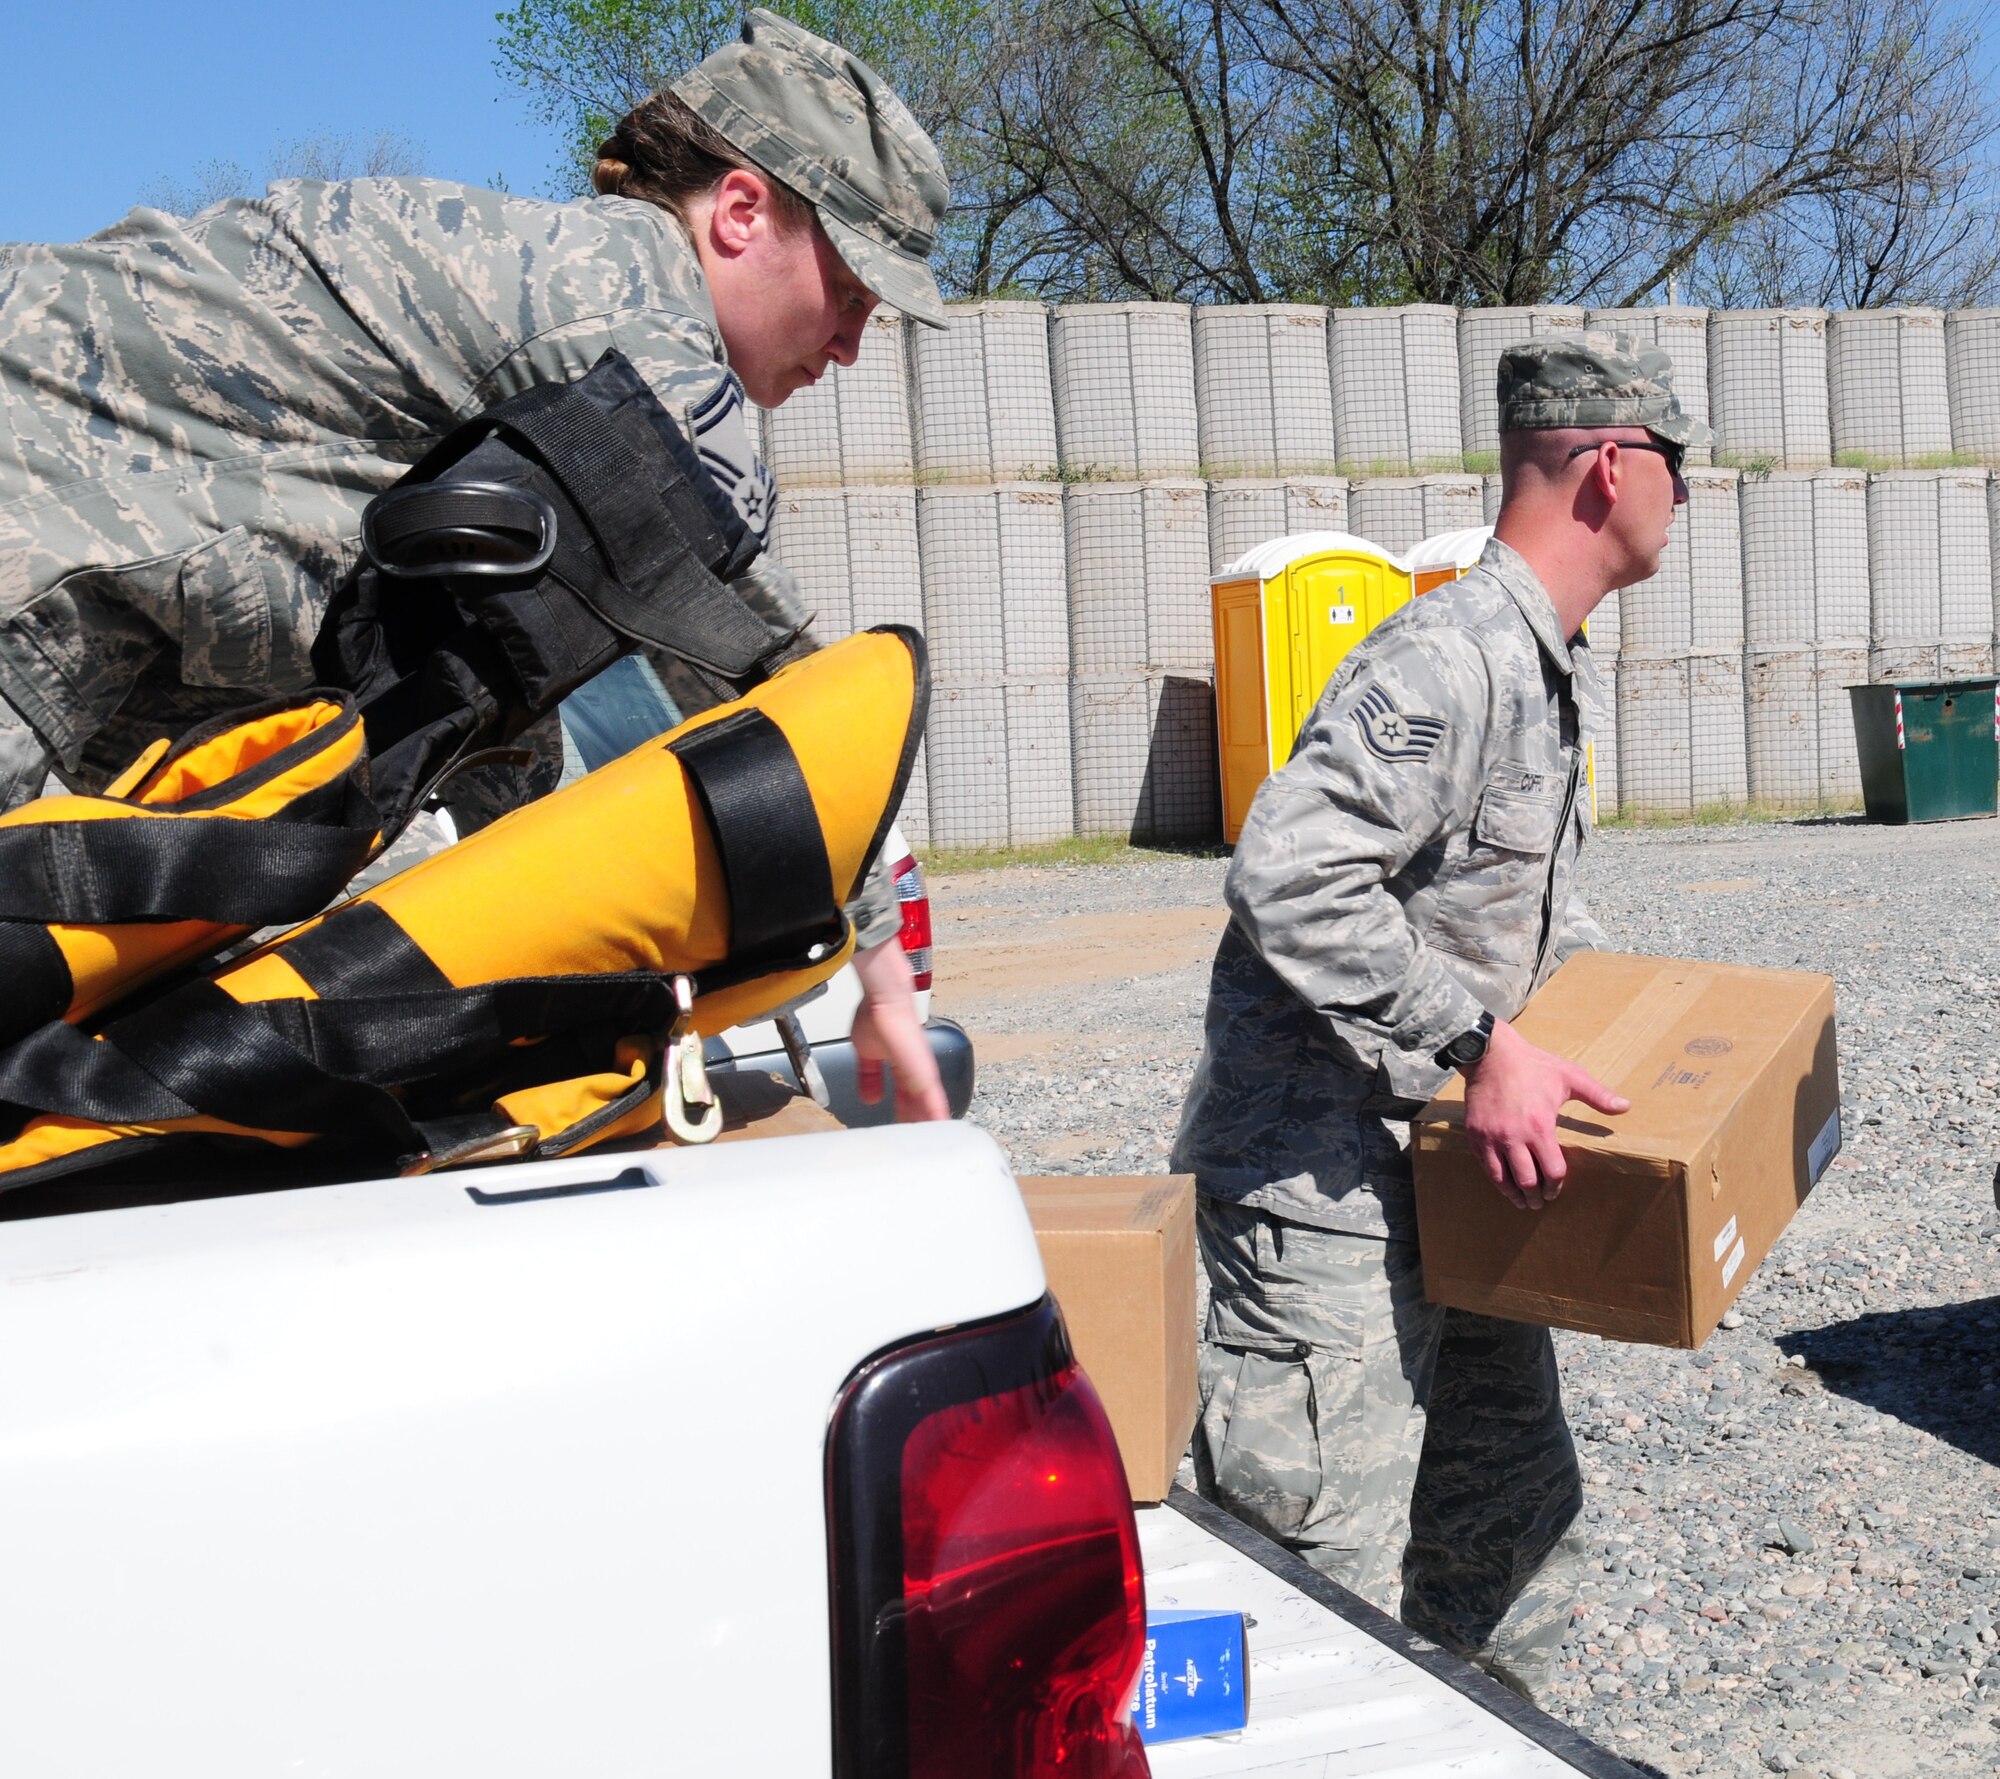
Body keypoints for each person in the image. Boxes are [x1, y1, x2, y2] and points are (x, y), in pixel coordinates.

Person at [0, 8, 948, 1120]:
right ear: (741, 213)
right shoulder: (632, 325)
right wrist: (882, 970)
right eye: (847, 293)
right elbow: (766, 673)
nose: (847, 342)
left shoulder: (551, 323)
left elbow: (486, 682)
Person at [1171, 333, 1708, 1700]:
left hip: (1454, 1176)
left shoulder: (1546, 662)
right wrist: (1480, 1043)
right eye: (1679, 464)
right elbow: (1289, 869)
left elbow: (1499, 915)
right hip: (1323, 1201)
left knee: (1507, 1539)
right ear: (1607, 464)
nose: (1687, 498)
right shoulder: (1449, 658)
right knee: (1315, 1589)